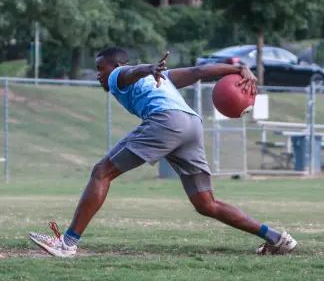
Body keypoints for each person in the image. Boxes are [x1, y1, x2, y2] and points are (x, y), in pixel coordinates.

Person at [28, 46, 297, 257]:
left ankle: (68, 243)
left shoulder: (118, 75)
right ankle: (276, 238)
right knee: (206, 204)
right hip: (192, 125)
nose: (99, 73)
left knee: (101, 172)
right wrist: (238, 70)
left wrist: (146, 67)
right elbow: (197, 72)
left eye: (100, 67)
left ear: (114, 66)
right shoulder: (163, 78)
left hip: (166, 121)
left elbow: (128, 72)